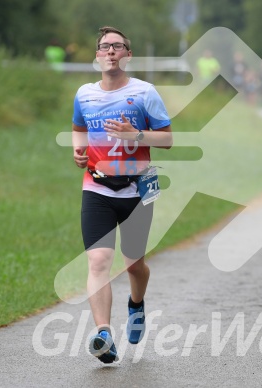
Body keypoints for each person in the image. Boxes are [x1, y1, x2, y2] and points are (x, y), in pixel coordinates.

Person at [71, 26, 173, 363]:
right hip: (97, 185)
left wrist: (137, 134)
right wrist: (79, 151)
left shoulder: (145, 93)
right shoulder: (84, 94)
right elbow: (78, 128)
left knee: (134, 265)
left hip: (140, 185)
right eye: (104, 46)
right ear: (97, 56)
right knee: (98, 261)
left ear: (128, 55)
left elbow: (167, 139)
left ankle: (137, 304)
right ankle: (103, 334)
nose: (111, 51)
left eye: (118, 46)